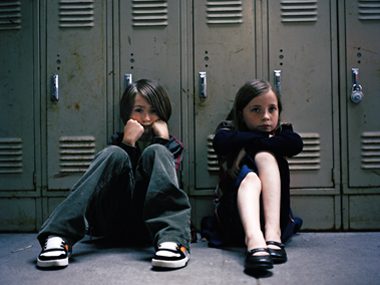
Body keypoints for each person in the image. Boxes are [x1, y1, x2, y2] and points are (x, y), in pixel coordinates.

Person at [36, 79, 192, 270]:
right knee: (114, 153)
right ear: (127, 114)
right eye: (139, 110)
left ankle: (173, 241)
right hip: (112, 222)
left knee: (157, 152)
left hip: (150, 229)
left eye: (154, 111)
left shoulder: (172, 146)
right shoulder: (117, 142)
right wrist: (127, 144)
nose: (147, 119)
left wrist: (162, 141)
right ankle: (58, 236)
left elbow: (168, 185)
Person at [212, 79, 303, 271]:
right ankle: (254, 239)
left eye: (272, 109)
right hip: (235, 223)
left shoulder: (283, 134)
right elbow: (220, 143)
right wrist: (259, 141)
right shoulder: (229, 131)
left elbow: (295, 145)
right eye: (256, 110)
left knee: (265, 157)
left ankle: (272, 235)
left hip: (278, 220)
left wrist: (249, 147)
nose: (266, 117)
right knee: (251, 178)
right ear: (241, 114)